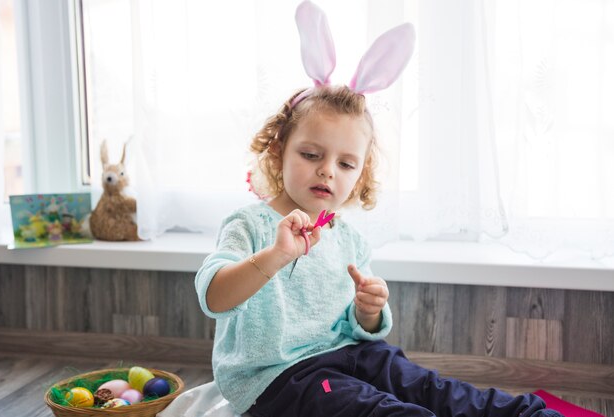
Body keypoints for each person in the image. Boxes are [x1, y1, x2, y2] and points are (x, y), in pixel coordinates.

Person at [195, 2, 564, 416]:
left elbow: (358, 329)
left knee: (434, 389)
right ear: (280, 149)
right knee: (382, 410)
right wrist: (275, 256)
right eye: (311, 154)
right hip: (280, 378)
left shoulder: (347, 237)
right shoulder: (249, 225)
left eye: (346, 164)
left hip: (353, 356)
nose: (327, 172)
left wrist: (368, 312)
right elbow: (214, 296)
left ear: (361, 172)